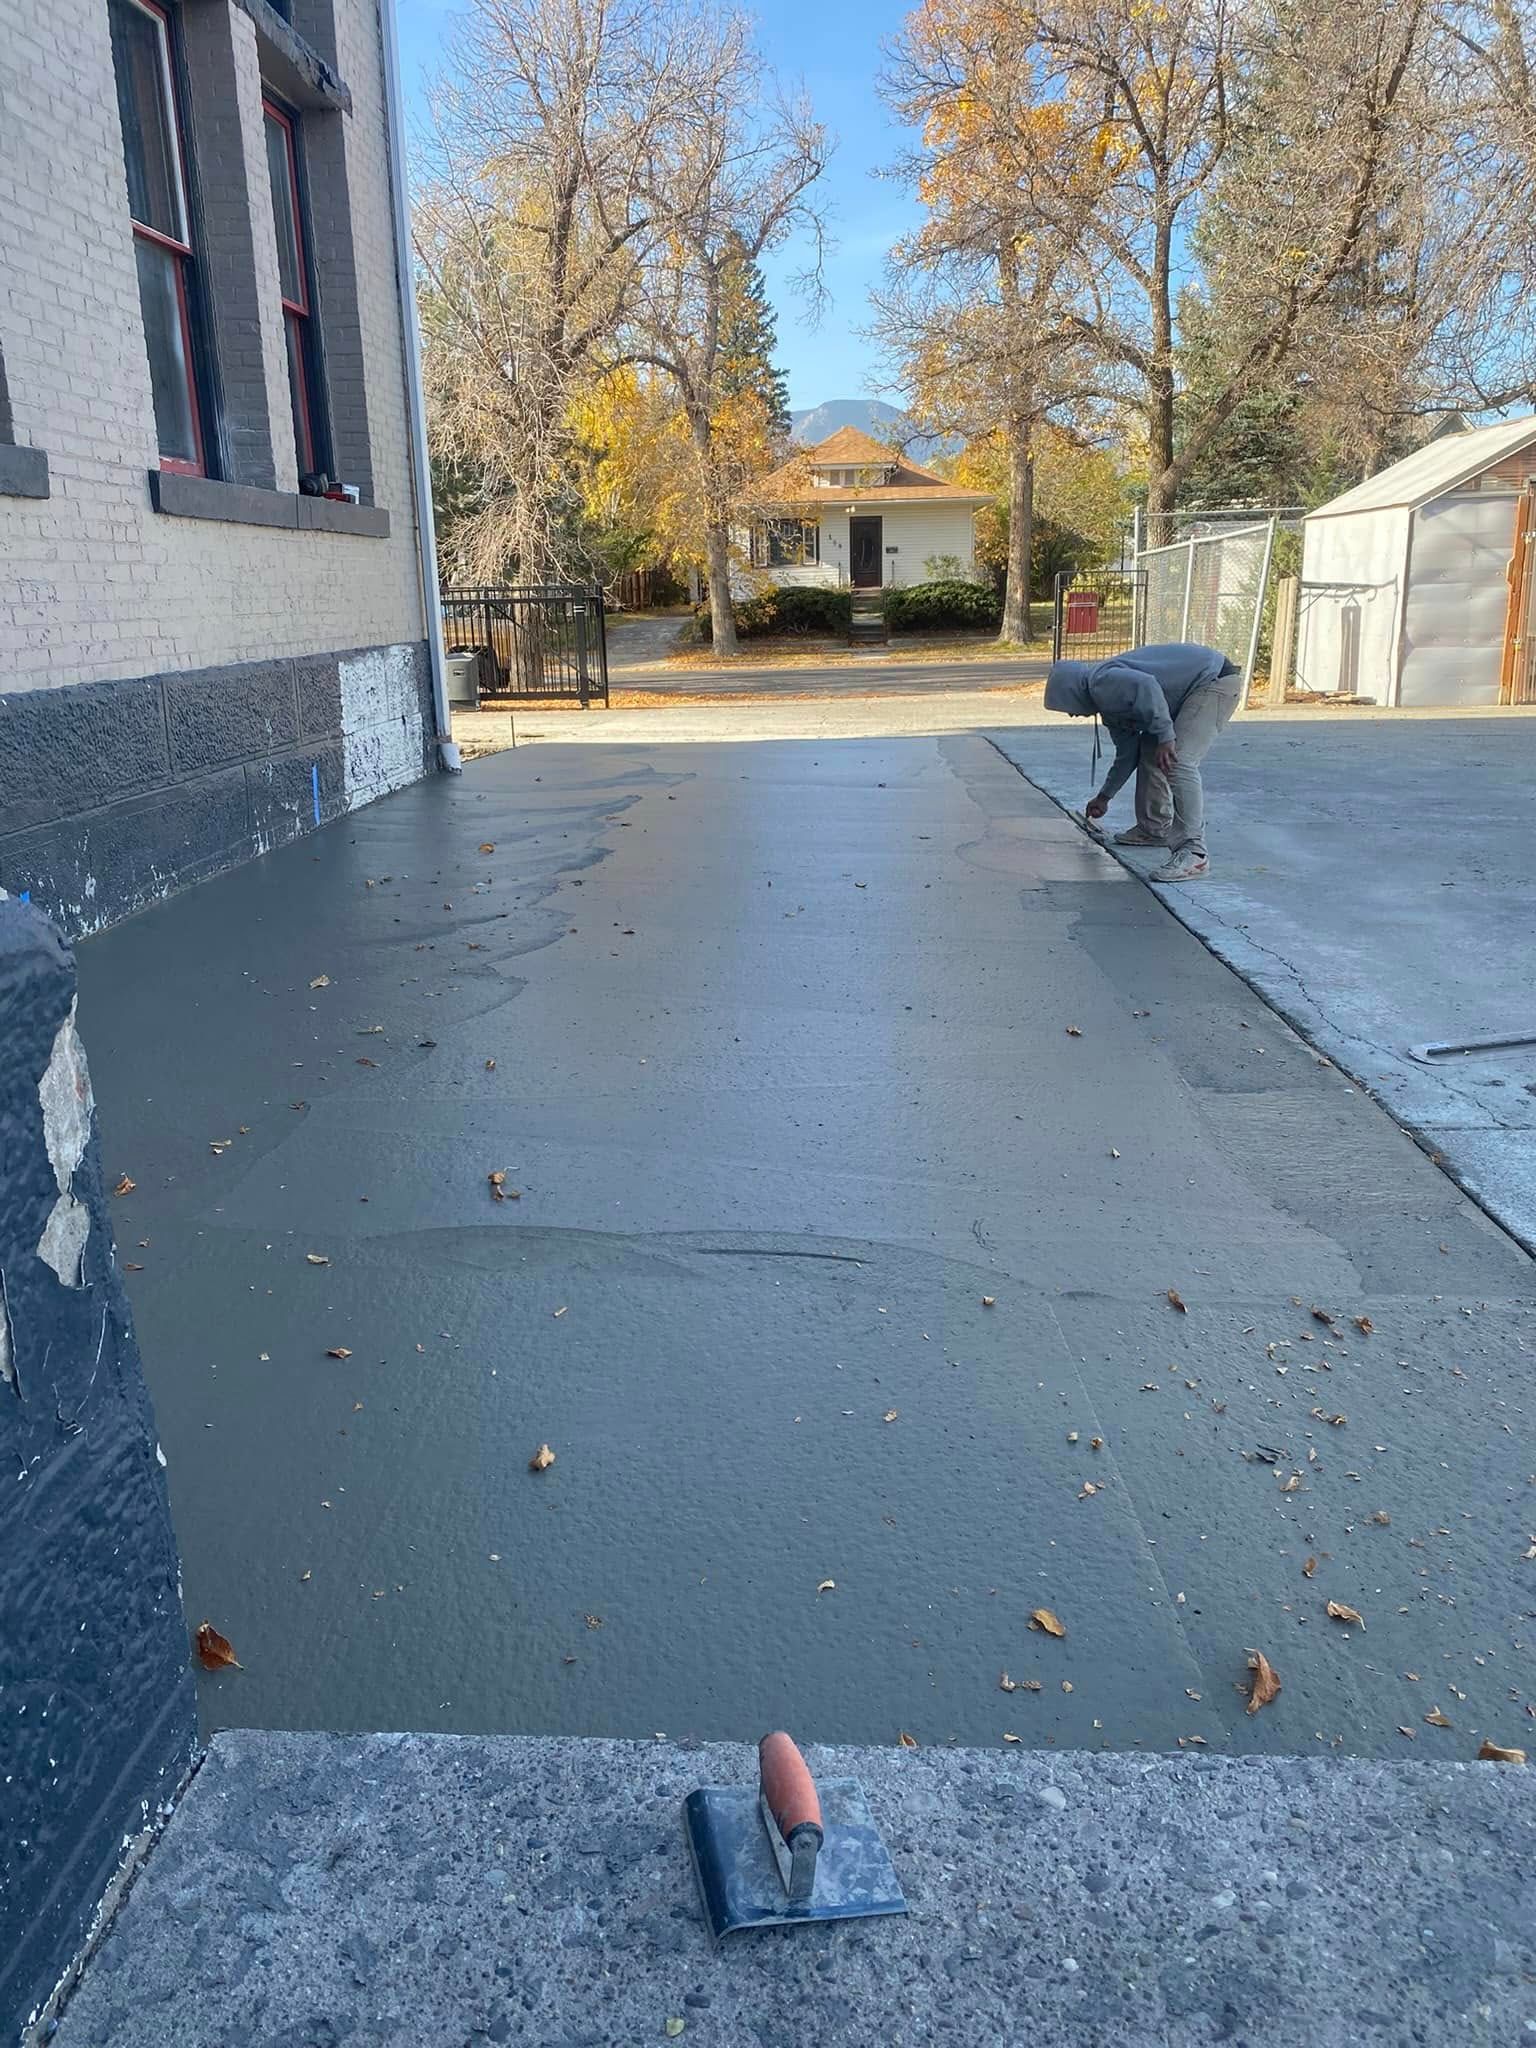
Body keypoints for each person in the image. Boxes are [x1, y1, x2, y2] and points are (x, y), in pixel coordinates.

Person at [1042, 641, 1243, 881]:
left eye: (1065, 705)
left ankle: (1194, 853)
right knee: (1152, 751)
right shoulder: (1109, 707)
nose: (1071, 714)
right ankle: (1153, 829)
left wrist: (1166, 737)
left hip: (1212, 681)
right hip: (1191, 689)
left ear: (1071, 692)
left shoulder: (1101, 681)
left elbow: (1147, 685)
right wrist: (1104, 797)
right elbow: (1127, 756)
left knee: (1178, 760)